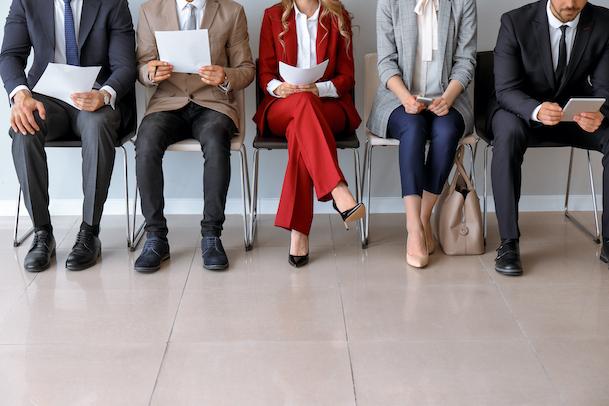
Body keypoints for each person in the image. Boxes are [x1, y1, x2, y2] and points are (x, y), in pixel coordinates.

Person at [0, 0, 136, 272]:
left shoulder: (113, 2)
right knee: (25, 126)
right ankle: (42, 232)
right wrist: (21, 95)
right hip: (47, 100)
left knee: (97, 126)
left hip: (95, 98)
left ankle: (89, 231)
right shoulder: (26, 2)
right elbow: (10, 55)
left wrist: (105, 94)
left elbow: (125, 65)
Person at [134, 0, 255, 273]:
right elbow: (141, 66)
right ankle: (155, 236)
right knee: (146, 140)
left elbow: (246, 69)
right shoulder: (150, 11)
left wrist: (224, 75)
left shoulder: (231, 11)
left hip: (213, 104)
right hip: (168, 101)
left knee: (216, 139)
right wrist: (151, 72)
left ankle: (212, 235)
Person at [490, 0, 609, 276]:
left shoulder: (603, 22)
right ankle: (508, 242)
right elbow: (505, 90)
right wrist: (536, 110)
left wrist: (599, 112)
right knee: (507, 135)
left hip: (571, 113)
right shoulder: (514, 22)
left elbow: (605, 87)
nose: (570, 4)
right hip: (520, 109)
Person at [254, 0, 365, 268]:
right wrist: (278, 88)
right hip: (283, 106)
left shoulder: (338, 15)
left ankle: (299, 232)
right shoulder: (272, 16)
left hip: (329, 106)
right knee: (302, 109)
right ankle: (338, 189)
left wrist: (319, 89)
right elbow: (265, 72)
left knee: (301, 130)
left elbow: (347, 77)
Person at [368, 0, 477, 268]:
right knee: (413, 128)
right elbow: (385, 62)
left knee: (447, 130)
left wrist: (449, 98)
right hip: (397, 99)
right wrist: (406, 98)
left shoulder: (463, 3)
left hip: (448, 98)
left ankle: (422, 219)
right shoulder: (389, 3)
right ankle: (414, 229)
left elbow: (466, 61)